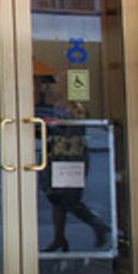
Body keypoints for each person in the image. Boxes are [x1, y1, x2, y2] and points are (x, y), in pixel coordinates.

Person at [40, 101, 110, 252]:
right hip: (61, 162)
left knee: (69, 200)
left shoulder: (71, 126)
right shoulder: (62, 125)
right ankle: (59, 238)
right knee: (57, 200)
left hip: (69, 164)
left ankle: (95, 223)